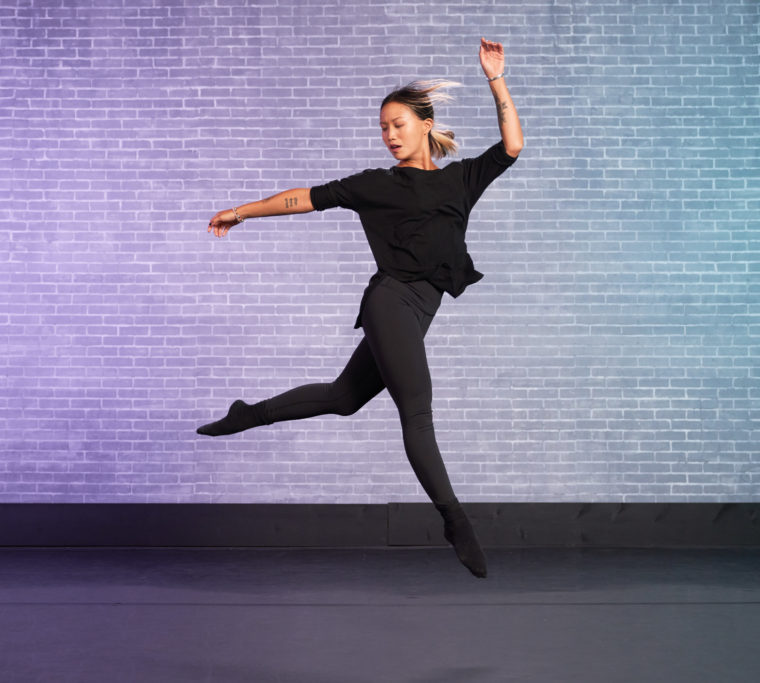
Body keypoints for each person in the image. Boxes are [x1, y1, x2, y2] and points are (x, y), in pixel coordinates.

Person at [199, 38, 523, 578]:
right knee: (417, 413)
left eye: (397, 124)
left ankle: (249, 414)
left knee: (345, 397)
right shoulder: (376, 186)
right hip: (390, 302)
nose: (389, 135)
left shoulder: (461, 180)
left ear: (424, 123)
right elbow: (302, 198)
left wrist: (495, 78)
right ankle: (454, 520)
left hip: (420, 311)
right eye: (382, 127)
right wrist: (241, 211)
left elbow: (511, 146)